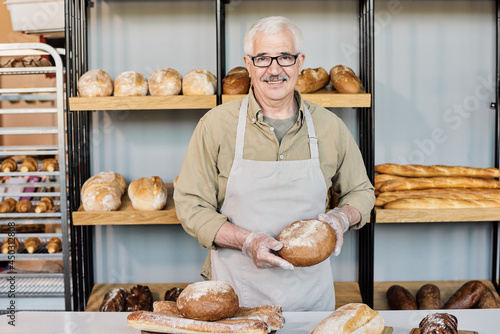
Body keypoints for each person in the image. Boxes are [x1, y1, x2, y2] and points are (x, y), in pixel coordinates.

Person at [173, 16, 374, 311]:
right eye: (263, 58)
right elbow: (191, 205)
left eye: (285, 57)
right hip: (238, 297)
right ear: (248, 63)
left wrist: (342, 218)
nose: (275, 69)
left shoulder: (330, 127)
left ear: (300, 61)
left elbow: (362, 192)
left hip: (311, 299)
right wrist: (246, 240)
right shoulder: (215, 125)